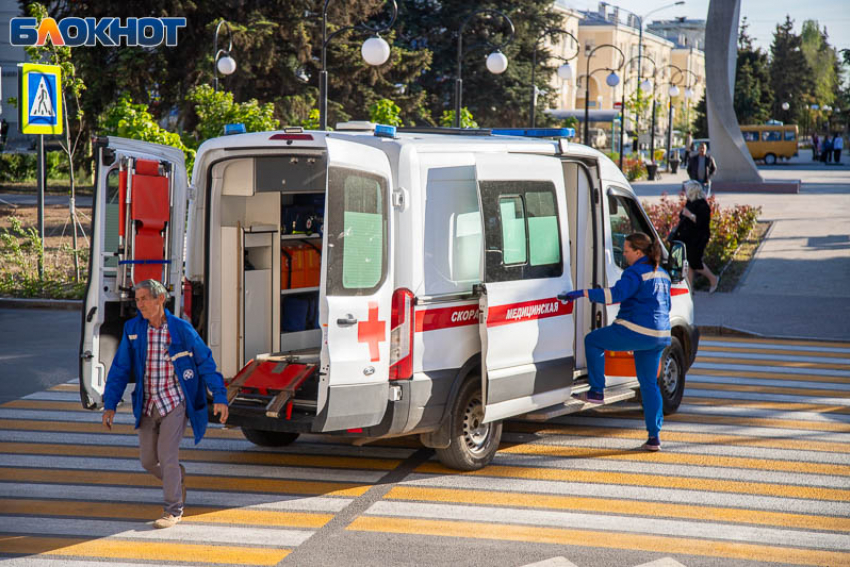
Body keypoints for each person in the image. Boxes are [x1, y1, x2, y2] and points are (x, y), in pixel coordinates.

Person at [102, 279, 229, 529]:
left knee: (168, 456)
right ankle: (177, 478)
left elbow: (205, 362)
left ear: (160, 299)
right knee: (149, 461)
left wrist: (220, 397)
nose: (140, 305)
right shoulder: (133, 329)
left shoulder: (181, 329)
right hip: (148, 403)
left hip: (174, 401)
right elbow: (120, 368)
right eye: (137, 300)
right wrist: (110, 404)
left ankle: (173, 510)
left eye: (144, 299)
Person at [563, 233, 672, 452]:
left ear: (638, 252)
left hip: (636, 330)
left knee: (592, 340)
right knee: (650, 385)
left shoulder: (635, 272)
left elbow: (615, 294)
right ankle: (654, 437)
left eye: (626, 251)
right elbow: (666, 306)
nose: (624, 255)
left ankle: (596, 390)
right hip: (660, 335)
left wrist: (583, 293)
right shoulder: (663, 273)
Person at [676, 180, 719, 292]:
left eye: (686, 189)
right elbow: (683, 217)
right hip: (688, 237)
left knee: (695, 262)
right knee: (688, 262)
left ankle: (713, 278)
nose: (684, 192)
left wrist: (689, 215)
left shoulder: (702, 204)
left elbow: (701, 222)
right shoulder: (690, 202)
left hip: (699, 238)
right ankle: (690, 288)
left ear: (692, 191)